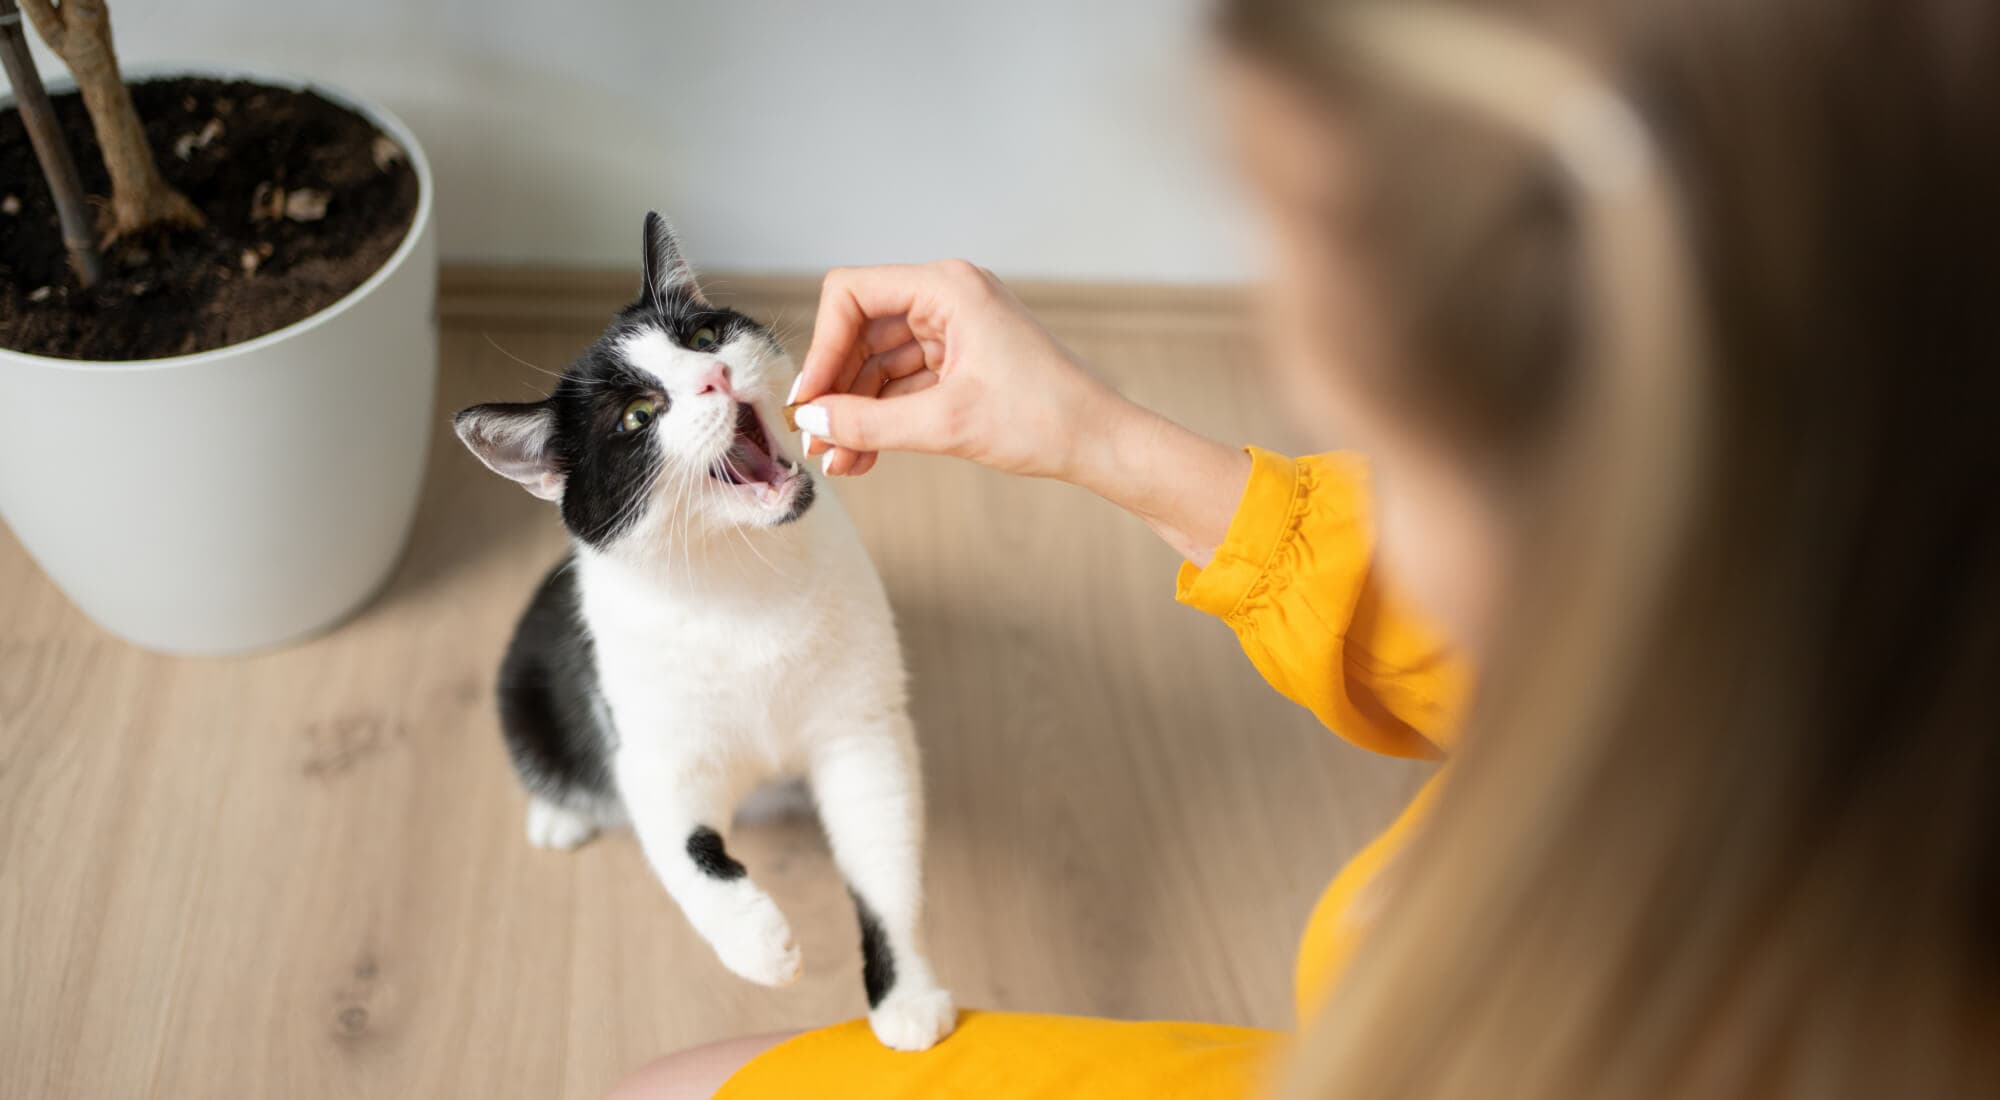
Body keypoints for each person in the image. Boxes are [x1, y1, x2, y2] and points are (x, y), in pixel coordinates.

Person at [616, 0, 2000, 1096]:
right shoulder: (1843, 584)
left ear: (1605, 508)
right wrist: (1097, 436)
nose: (1363, 489)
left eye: (1374, 438)